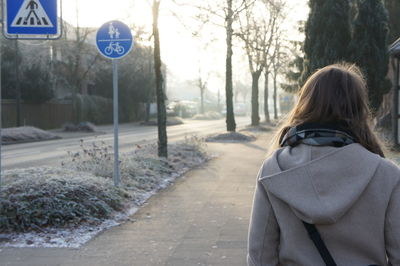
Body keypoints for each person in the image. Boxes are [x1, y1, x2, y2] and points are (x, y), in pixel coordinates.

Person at [247, 63, 400, 266]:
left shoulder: (274, 169)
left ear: (305, 104)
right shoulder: (385, 173)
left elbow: (260, 257)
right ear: (359, 109)